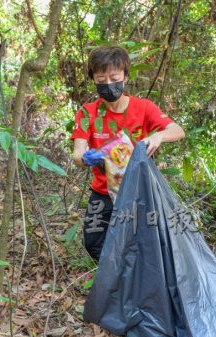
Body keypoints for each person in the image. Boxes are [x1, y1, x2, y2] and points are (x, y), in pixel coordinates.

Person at [71, 45, 185, 262]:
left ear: (125, 76)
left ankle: (138, 284)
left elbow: (177, 130)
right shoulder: (88, 112)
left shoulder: (143, 108)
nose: (108, 84)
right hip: (104, 191)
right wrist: (86, 158)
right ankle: (117, 281)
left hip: (139, 191)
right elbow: (77, 153)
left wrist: (157, 137)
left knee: (144, 241)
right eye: (101, 80)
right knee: (94, 242)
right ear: (93, 79)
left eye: (114, 77)